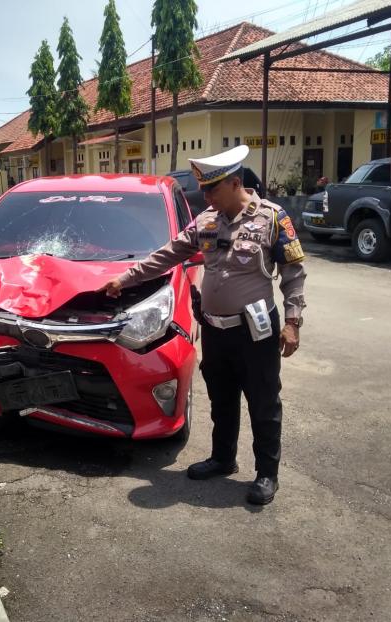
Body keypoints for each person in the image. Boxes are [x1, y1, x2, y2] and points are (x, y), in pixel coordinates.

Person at [100, 145, 306, 505]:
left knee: (263, 401)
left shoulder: (272, 219)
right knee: (221, 398)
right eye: (205, 190)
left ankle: (266, 474)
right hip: (215, 329)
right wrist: (126, 278)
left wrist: (292, 322)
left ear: (236, 183)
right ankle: (223, 458)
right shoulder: (206, 221)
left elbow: (293, 272)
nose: (206, 196)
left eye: (212, 189)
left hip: (255, 331)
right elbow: (168, 253)